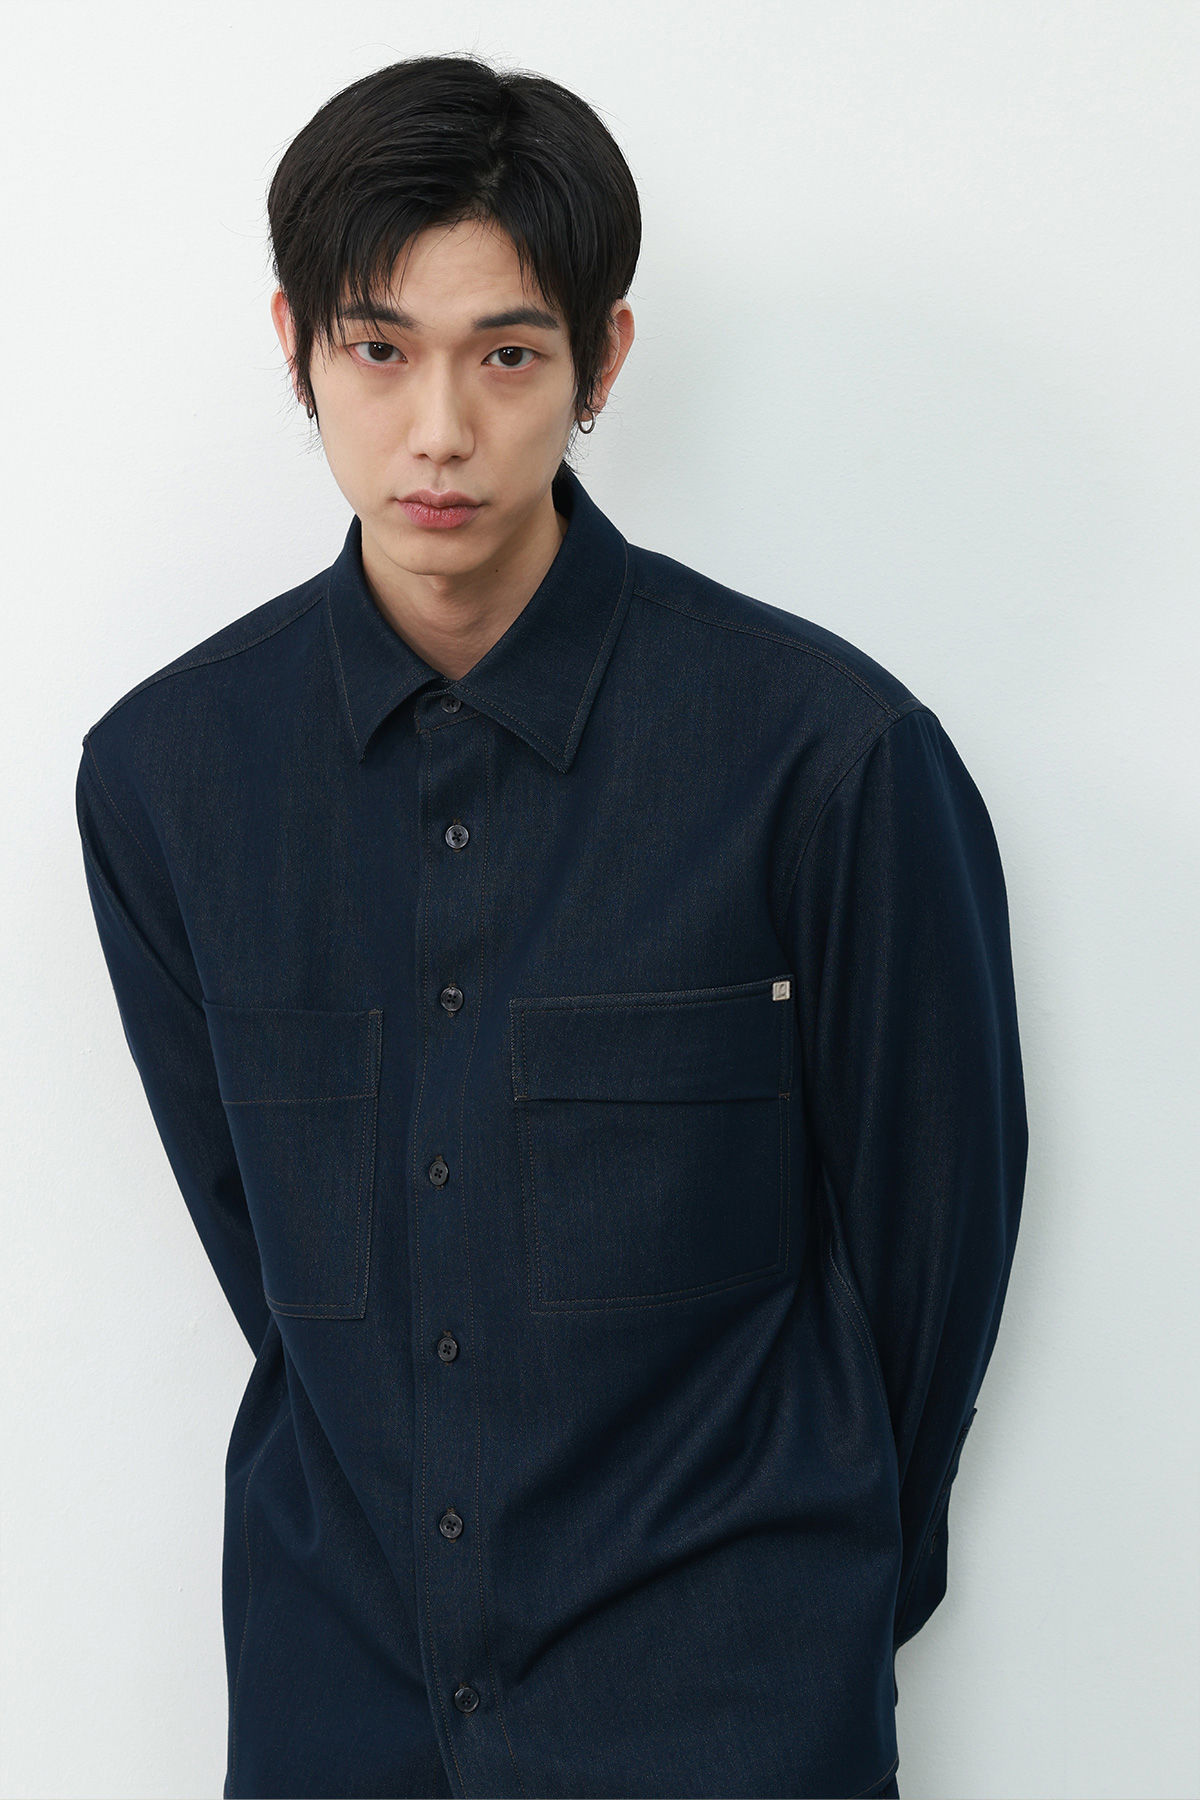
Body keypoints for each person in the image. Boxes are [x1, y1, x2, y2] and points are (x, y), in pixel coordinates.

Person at [75, 53, 1027, 1800]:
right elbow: (267, 1257)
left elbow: (931, 1244)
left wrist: (805, 1611)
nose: (439, 430)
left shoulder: (827, 759)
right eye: (379, 350)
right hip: (338, 1701)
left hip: (725, 1710)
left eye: (507, 355)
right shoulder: (167, 780)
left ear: (603, 359)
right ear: (295, 343)